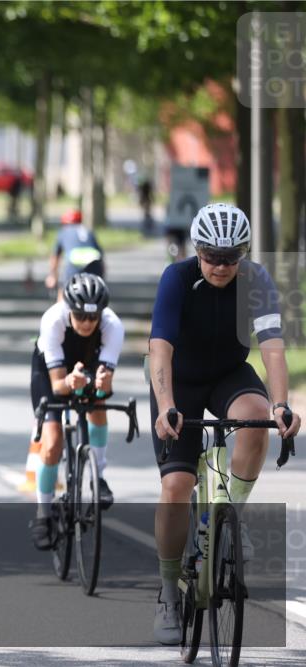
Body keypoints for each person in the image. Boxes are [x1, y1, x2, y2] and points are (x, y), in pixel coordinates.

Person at [148, 203, 301, 645]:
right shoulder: (176, 279)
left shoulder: (256, 280)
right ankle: (167, 593)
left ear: (244, 253)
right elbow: (160, 348)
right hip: (180, 379)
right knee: (176, 486)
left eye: (231, 256)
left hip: (228, 373)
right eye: (212, 255)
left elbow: (272, 346)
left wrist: (280, 405)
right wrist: (165, 405)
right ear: (197, 250)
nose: (220, 265)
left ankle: (228, 512)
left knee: (255, 419)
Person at [29, 273, 124, 549]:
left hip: (88, 363)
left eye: (92, 318)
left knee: (98, 406)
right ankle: (43, 515)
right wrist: (70, 382)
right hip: (50, 375)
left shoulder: (113, 326)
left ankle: (99, 478)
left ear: (102, 315)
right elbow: (59, 385)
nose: (86, 323)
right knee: (53, 442)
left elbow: (105, 384)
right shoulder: (53, 321)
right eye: (80, 316)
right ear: (69, 310)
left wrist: (102, 385)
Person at [45, 209, 105, 295]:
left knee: (64, 292)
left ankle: (61, 304)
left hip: (75, 262)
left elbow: (55, 257)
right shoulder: (89, 231)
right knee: (95, 293)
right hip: (94, 262)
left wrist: (52, 276)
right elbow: (100, 255)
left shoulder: (63, 232)